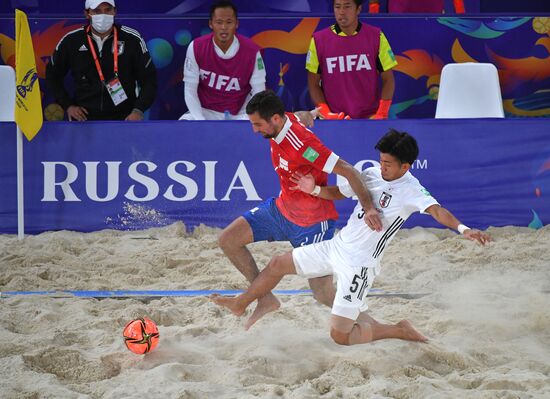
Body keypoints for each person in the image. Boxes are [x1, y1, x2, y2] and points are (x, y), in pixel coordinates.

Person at [213, 129, 491, 346]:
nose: (382, 167)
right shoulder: (370, 174)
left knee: (340, 336)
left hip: (360, 264)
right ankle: (244, 302)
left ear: (406, 167)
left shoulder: (412, 190)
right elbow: (340, 193)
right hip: (336, 245)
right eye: (381, 161)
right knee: (276, 264)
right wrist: (314, 190)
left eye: (389, 164)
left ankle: (399, 330)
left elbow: (438, 212)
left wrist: (464, 229)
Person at [218, 90, 383, 329]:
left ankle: (377, 327)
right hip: (282, 210)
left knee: (323, 295)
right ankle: (265, 299)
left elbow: (349, 170)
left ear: (275, 119)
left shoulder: (303, 143)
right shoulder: (286, 119)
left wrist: (368, 209)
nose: (255, 130)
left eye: (258, 125)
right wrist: (313, 113)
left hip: (313, 224)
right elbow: (300, 115)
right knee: (228, 240)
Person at [45, 0, 156, 121]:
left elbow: (149, 79)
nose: (103, 15)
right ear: (87, 14)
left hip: (125, 118)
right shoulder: (71, 40)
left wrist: (138, 110)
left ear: (115, 11)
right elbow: (52, 76)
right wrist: (68, 105)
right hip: (84, 119)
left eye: (108, 10)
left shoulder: (132, 39)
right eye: (97, 11)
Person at [306, 0, 397, 120]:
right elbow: (313, 84)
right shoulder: (318, 40)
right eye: (337, 7)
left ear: (358, 9)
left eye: (347, 7)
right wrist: (326, 113)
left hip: (370, 118)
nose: (341, 12)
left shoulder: (376, 36)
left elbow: (388, 79)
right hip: (335, 120)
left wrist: (382, 113)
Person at [179, 1, 266, 120]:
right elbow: (189, 89)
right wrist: (201, 122)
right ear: (211, 24)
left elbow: (259, 92)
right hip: (205, 112)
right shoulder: (196, 47)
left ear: (236, 24)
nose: (224, 28)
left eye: (229, 22)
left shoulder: (253, 51)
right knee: (184, 124)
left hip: (240, 114)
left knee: (259, 126)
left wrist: (248, 117)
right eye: (219, 22)